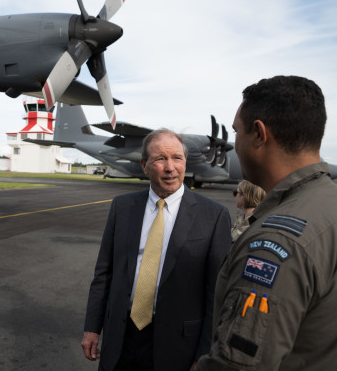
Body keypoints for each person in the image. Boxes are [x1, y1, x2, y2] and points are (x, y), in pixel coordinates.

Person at [195, 75, 337, 370]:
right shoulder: (328, 205)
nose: (233, 144)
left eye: (237, 132)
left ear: (259, 134)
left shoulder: (274, 243)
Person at [81, 128, 232, 371]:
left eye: (177, 158)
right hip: (120, 336)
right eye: (160, 159)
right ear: (144, 165)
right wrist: (91, 328)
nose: (170, 167)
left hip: (178, 345)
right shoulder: (123, 207)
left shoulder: (214, 216)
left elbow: (217, 293)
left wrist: (205, 352)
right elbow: (104, 274)